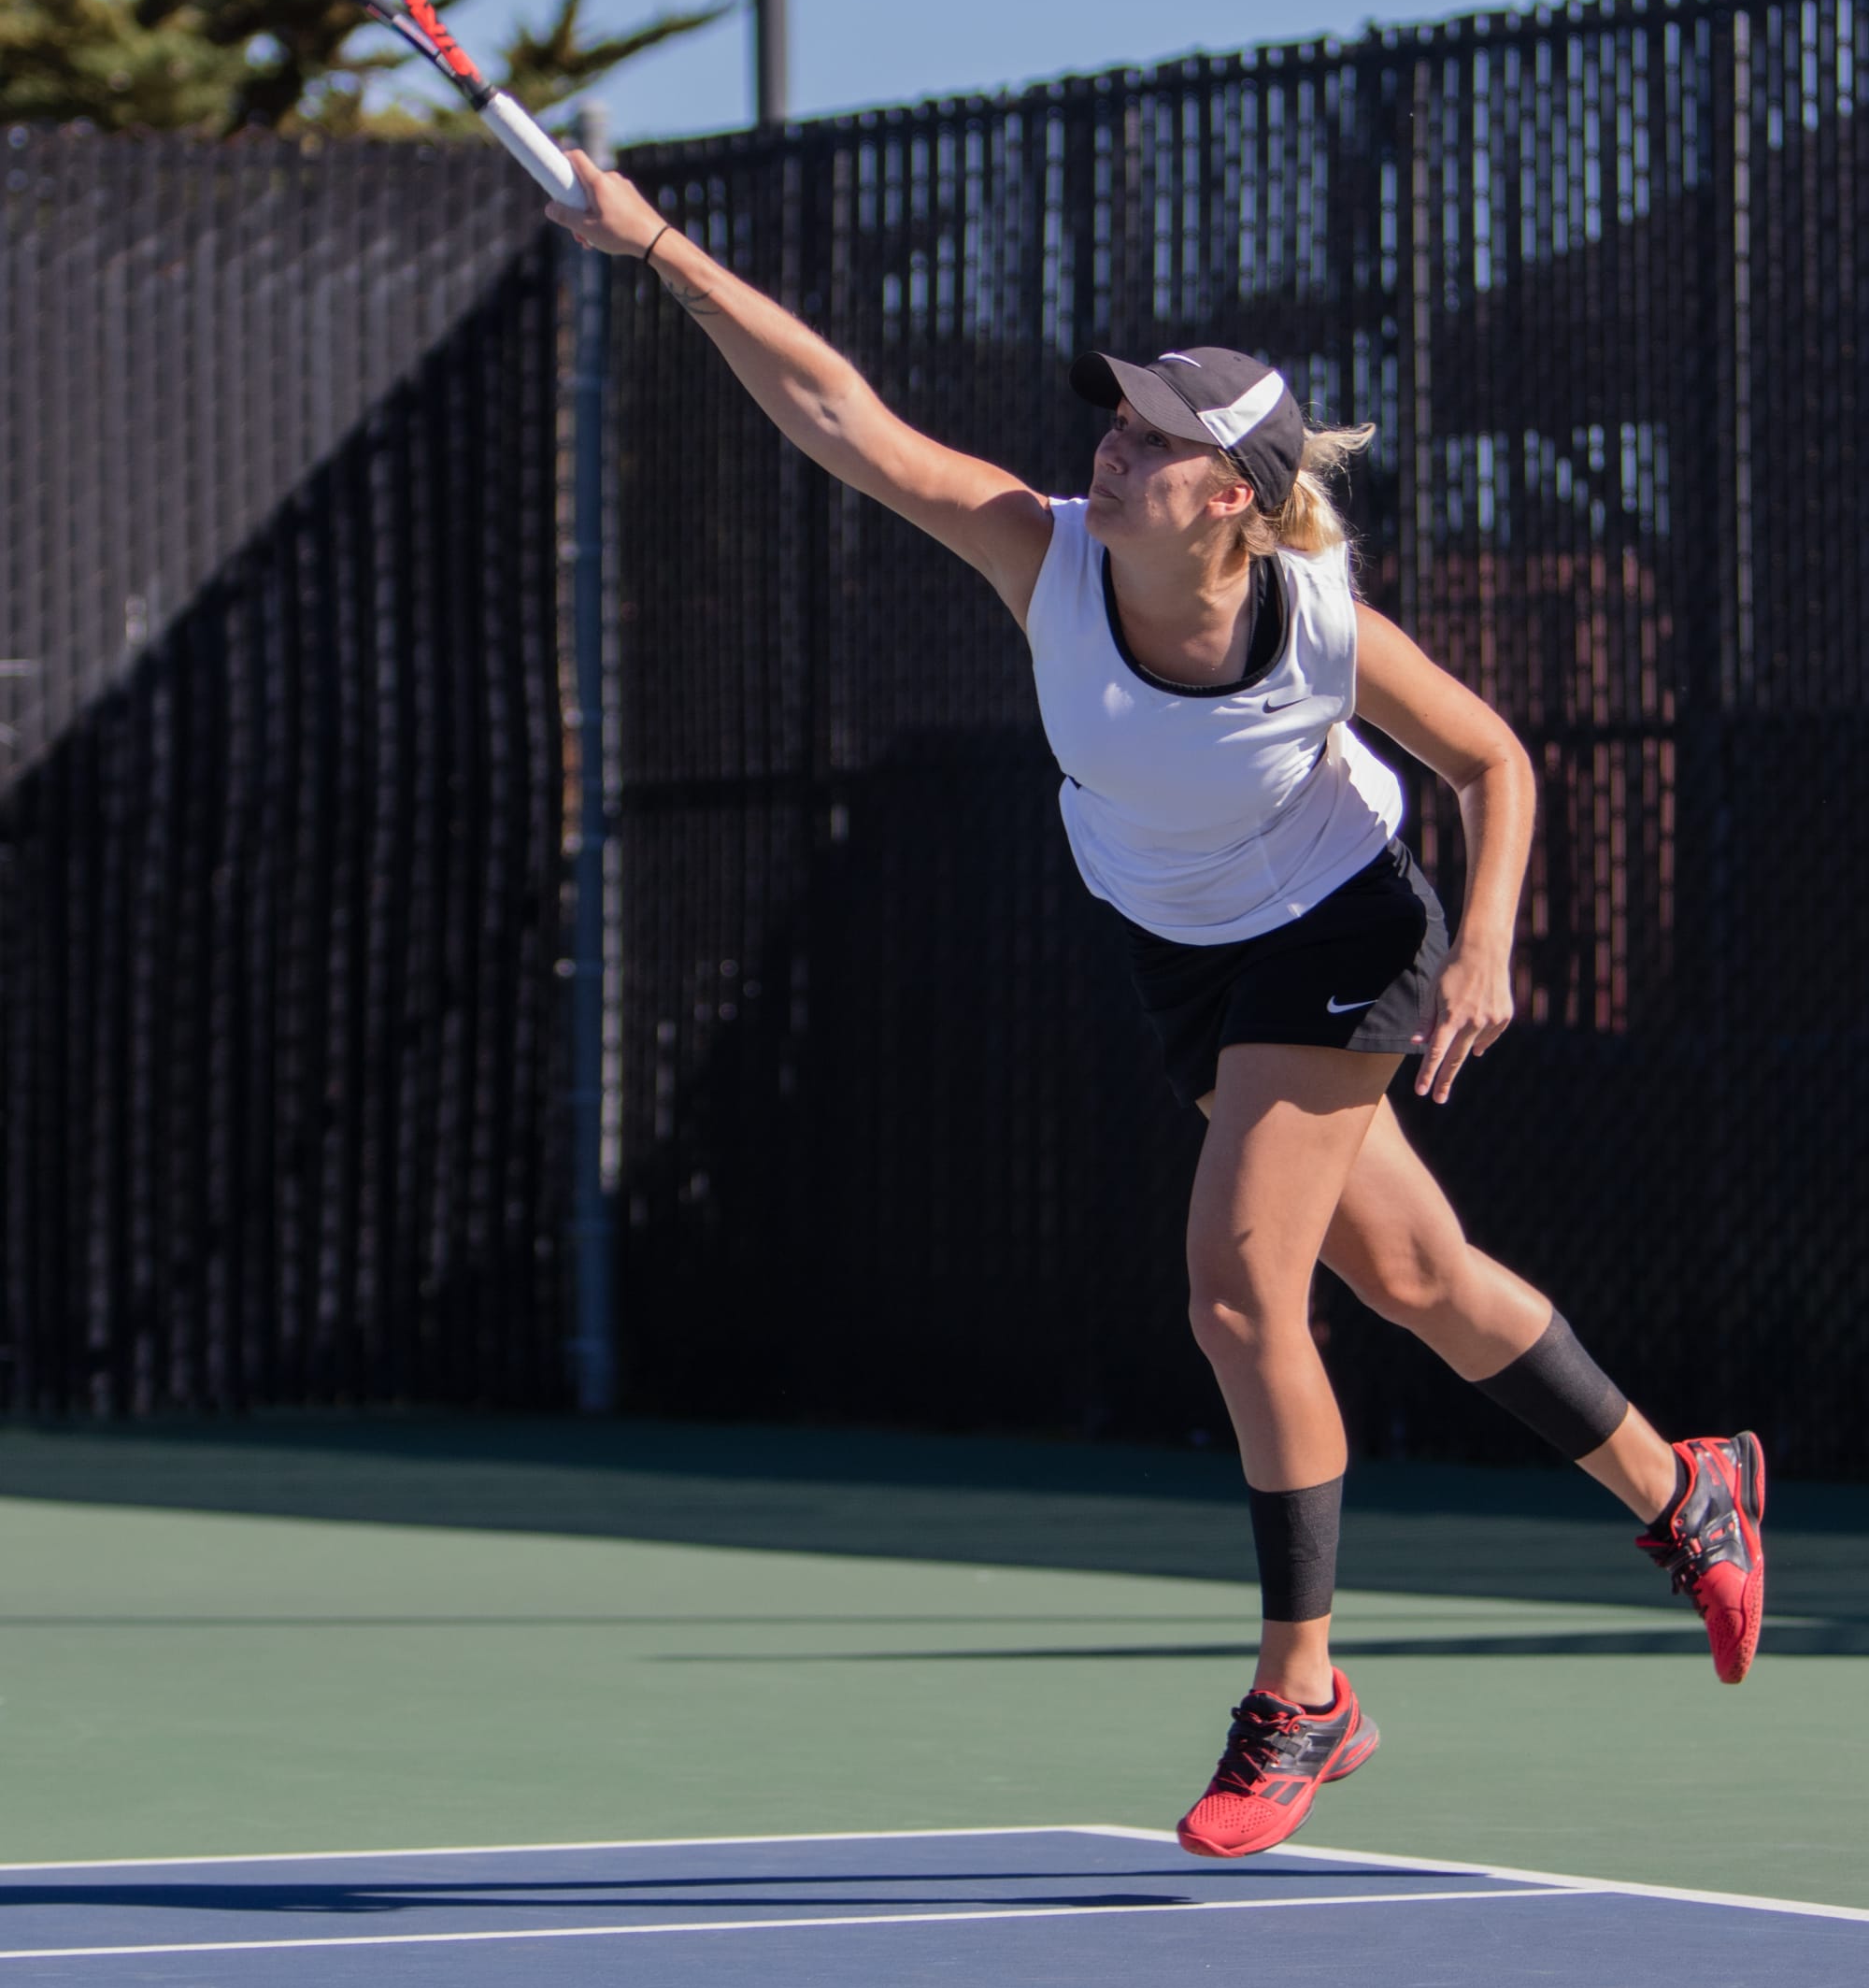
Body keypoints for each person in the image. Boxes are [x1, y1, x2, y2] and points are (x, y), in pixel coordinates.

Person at [549, 155, 1767, 1861]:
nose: (1111, 449)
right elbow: (841, 417)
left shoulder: (1319, 624)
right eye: (1115, 423)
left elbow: (1492, 758)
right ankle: (1685, 1488)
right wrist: (660, 245)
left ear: (1238, 504)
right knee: (1416, 1277)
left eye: (1154, 440)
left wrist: (1486, 944)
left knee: (1240, 1293)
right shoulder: (1038, 556)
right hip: (1185, 955)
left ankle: (1303, 1692)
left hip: (1339, 929)